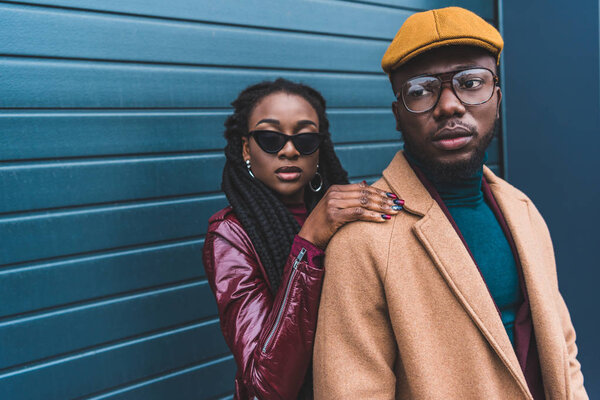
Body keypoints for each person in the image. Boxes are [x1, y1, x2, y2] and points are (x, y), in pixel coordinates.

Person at [313, 7, 587, 400]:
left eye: (470, 82)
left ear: (497, 96)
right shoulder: (364, 241)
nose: (449, 105)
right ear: (397, 114)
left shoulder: (524, 211)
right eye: (420, 91)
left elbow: (563, 346)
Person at [202, 78, 403, 400]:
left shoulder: (345, 213)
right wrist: (309, 242)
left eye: (306, 139)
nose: (290, 150)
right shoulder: (230, 234)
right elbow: (267, 385)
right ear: (245, 148)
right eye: (270, 138)